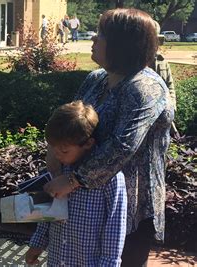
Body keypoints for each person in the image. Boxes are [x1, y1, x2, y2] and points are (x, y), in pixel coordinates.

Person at [43, 8, 173, 266]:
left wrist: (72, 180)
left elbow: (123, 146)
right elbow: (70, 118)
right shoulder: (97, 79)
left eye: (101, 35)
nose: (93, 39)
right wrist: (53, 150)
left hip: (127, 208)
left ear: (122, 44)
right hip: (84, 203)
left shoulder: (145, 87)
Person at [25, 100, 128, 266]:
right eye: (53, 148)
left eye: (64, 150)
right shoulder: (58, 170)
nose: (57, 154)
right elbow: (47, 212)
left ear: (88, 143)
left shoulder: (111, 179)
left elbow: (115, 229)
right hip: (57, 260)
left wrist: (109, 264)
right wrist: (37, 244)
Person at [151, 20, 179, 136]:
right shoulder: (136, 62)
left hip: (164, 114)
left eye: (156, 40)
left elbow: (170, 86)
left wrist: (171, 105)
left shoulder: (162, 62)